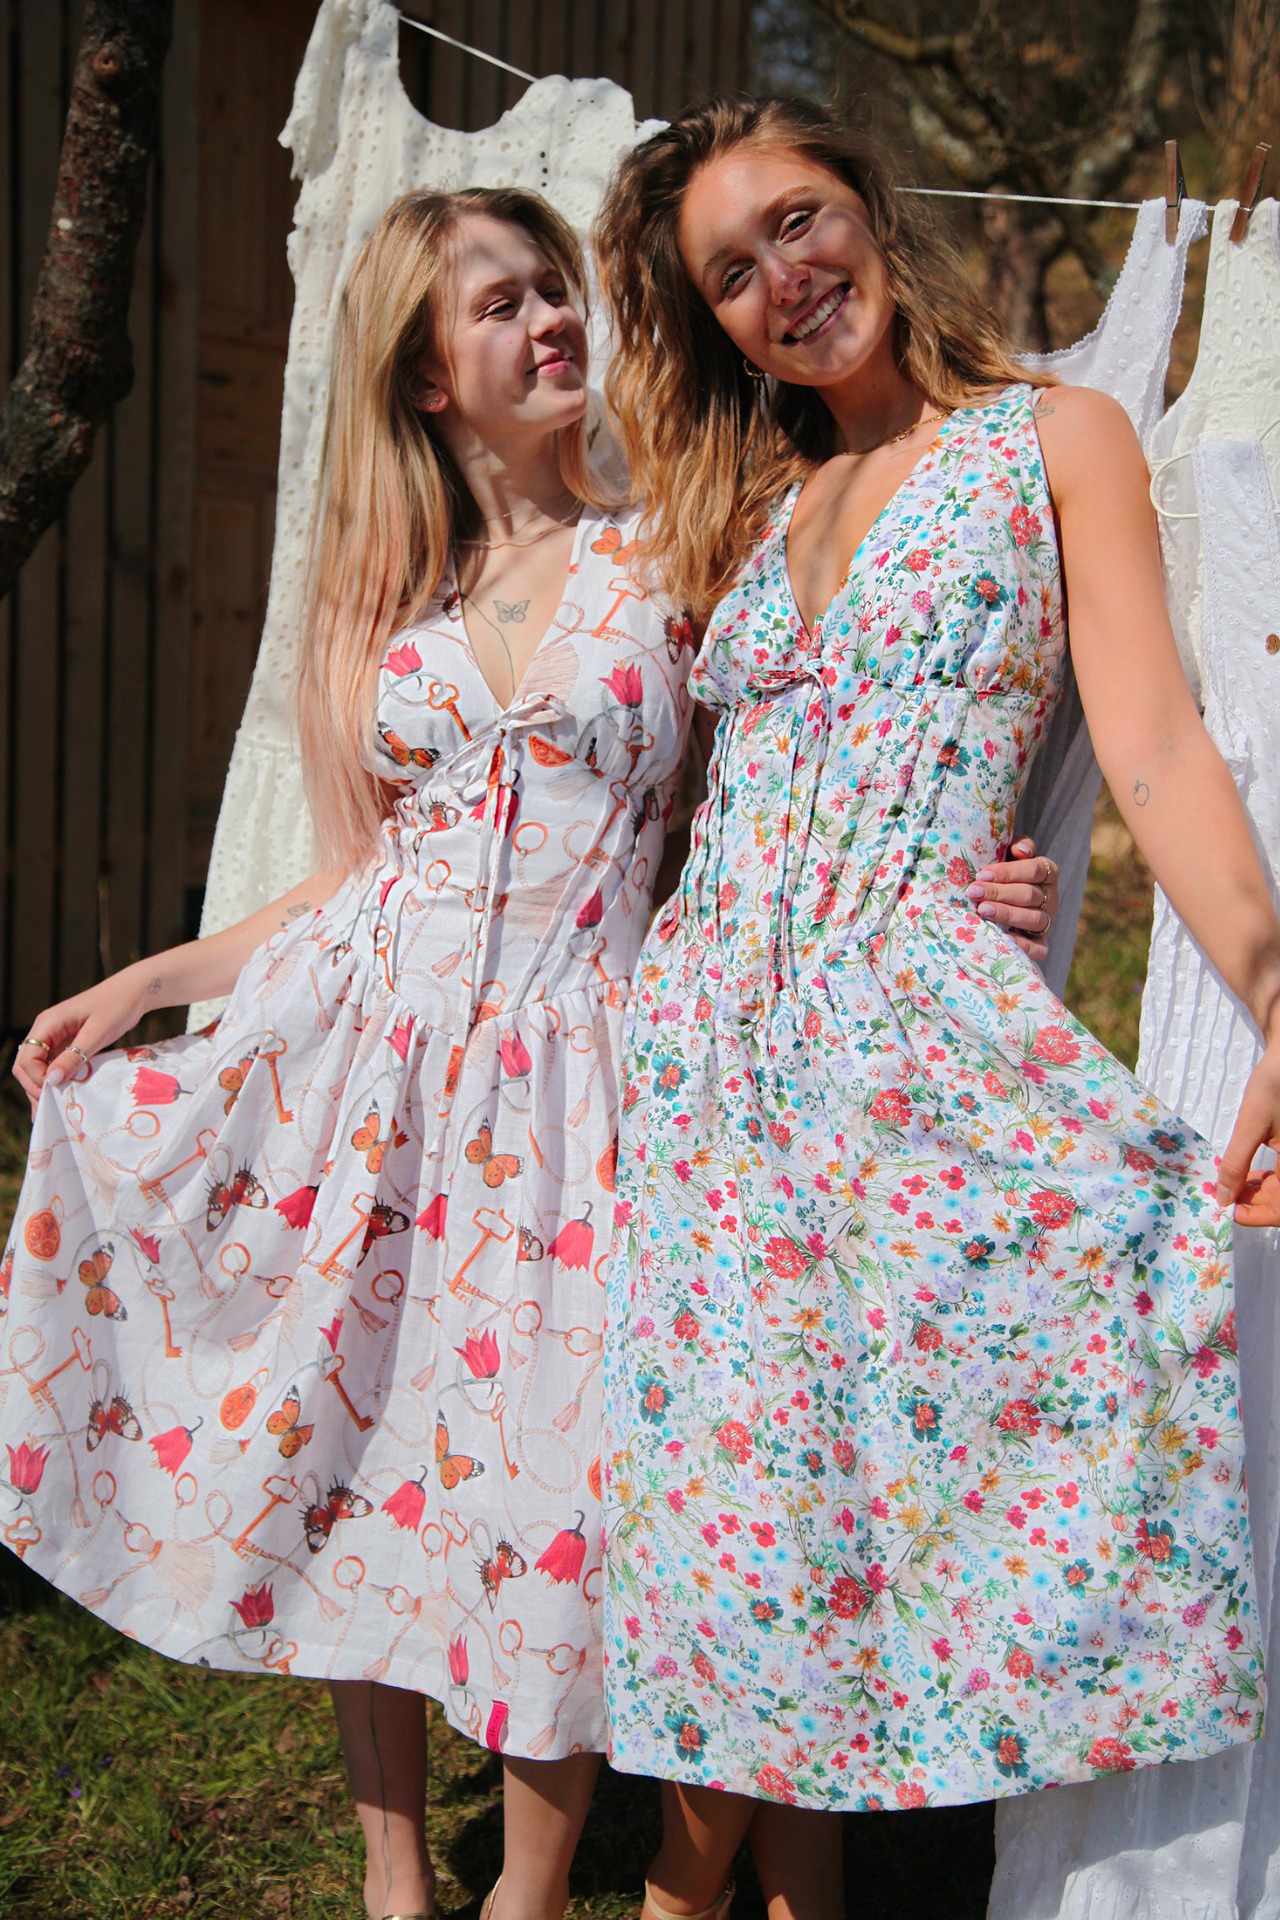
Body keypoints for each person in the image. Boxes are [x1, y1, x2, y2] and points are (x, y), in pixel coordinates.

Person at [0, 183, 1054, 1920]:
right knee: (361, 1448)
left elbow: (808, 764)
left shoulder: (678, 552)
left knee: (556, 1485)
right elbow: (350, 878)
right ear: (429, 377)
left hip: (584, 1083)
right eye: (502, 304)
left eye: (556, 289)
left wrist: (966, 866)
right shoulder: (385, 601)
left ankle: (534, 1888)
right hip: (370, 1067)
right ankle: (394, 1880)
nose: (555, 318)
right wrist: (151, 980)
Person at [592, 96, 1280, 1920]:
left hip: (909, 1035)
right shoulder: (752, 501)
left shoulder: (1054, 437)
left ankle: (684, 1893)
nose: (784, 279)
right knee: (739, 1518)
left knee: (912, 1447)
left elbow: (1148, 739)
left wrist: (1275, 985)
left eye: (799, 221)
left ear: (871, 209)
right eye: (730, 274)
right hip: (711, 1051)